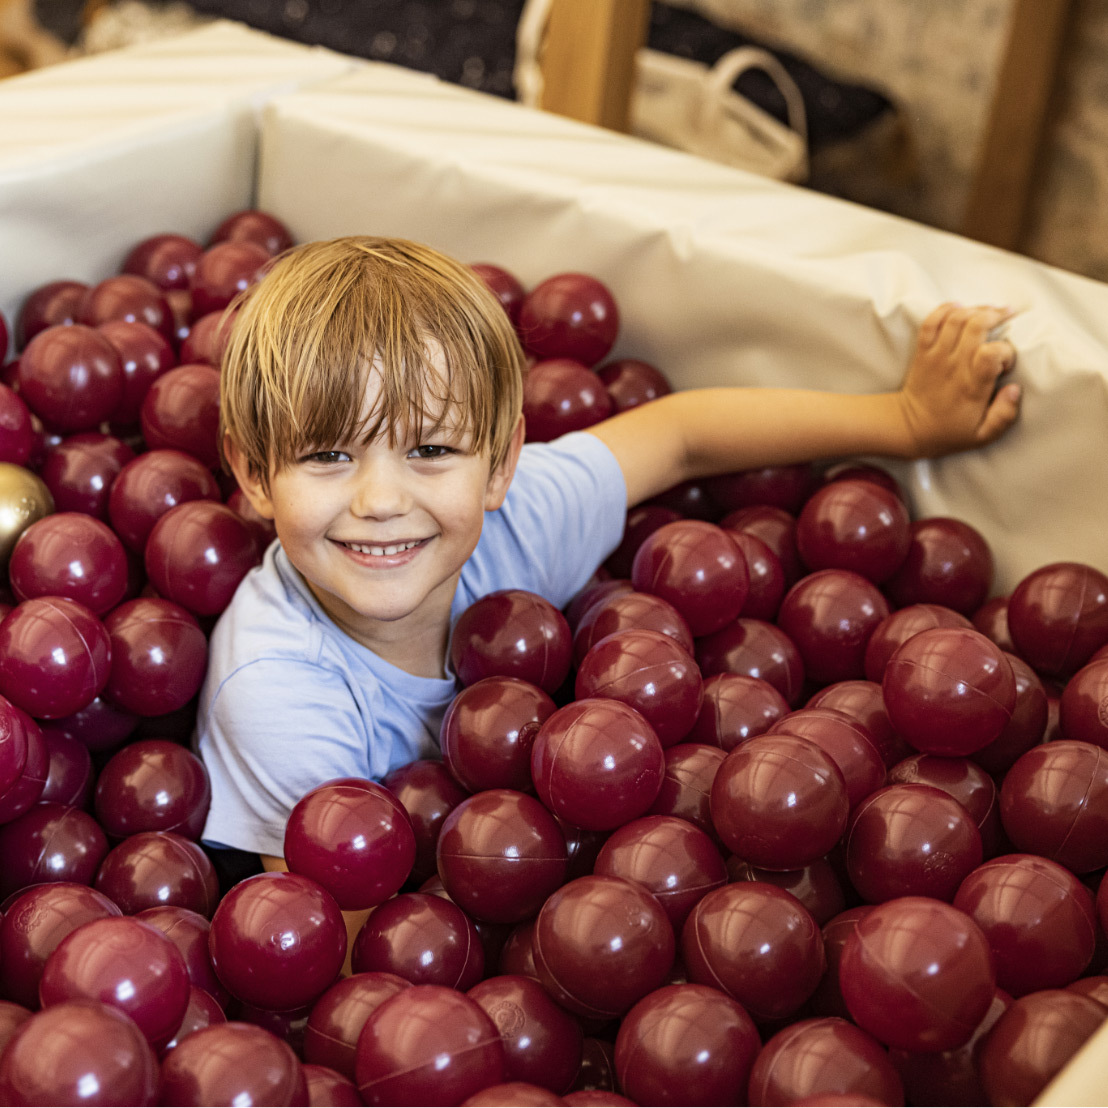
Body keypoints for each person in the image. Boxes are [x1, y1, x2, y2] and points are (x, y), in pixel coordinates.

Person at [197, 234, 1019, 936]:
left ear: (502, 464)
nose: (382, 502)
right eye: (329, 456)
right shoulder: (278, 693)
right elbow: (349, 953)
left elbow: (681, 436)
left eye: (432, 451)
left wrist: (906, 420)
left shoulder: (519, 520)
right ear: (255, 474)